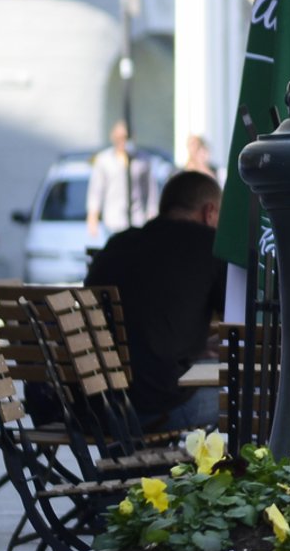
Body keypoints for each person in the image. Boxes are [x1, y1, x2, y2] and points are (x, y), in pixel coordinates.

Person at [85, 171, 226, 432]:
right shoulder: (210, 246)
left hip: (99, 407)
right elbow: (237, 317)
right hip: (159, 407)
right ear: (209, 212)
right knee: (254, 397)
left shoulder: (117, 244)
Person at [86, 120, 158, 241]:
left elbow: (150, 190)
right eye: (119, 137)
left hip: (137, 220)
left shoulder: (143, 160)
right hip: (113, 221)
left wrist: (152, 214)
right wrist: (93, 216)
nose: (122, 141)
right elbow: (96, 190)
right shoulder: (104, 160)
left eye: (125, 137)